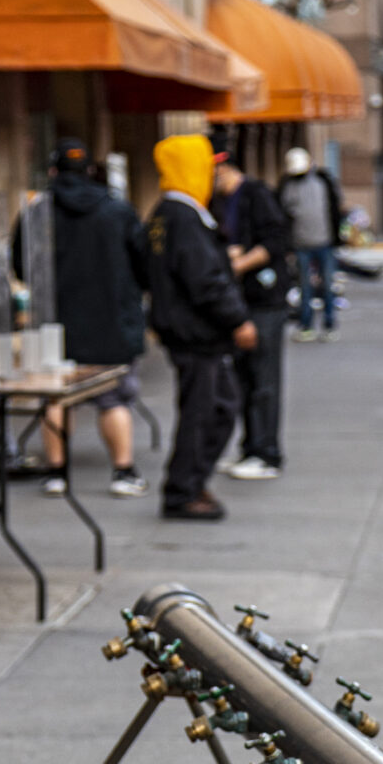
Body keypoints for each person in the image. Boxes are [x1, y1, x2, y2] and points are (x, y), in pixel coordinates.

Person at [18, 139, 149, 498]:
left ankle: (56, 472)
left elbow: (21, 262)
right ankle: (123, 471)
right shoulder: (117, 210)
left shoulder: (38, 210)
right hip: (111, 320)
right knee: (113, 399)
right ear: (91, 170)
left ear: (52, 171)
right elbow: (143, 264)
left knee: (56, 399)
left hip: (56, 324)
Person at [147, 134, 256, 522]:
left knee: (218, 408)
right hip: (198, 334)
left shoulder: (167, 213)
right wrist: (238, 319)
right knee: (205, 412)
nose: (212, 175)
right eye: (207, 167)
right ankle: (183, 490)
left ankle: (190, 482)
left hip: (189, 331)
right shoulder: (183, 216)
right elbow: (204, 280)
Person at [212, 142, 290, 480]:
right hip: (240, 299)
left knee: (263, 377)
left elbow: (276, 241)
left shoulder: (256, 194)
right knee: (242, 376)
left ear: (223, 167)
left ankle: (267, 453)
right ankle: (250, 447)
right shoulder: (217, 202)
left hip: (264, 299)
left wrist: (239, 263)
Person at [278, 146, 343, 342]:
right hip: (301, 244)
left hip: (323, 241)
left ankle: (329, 325)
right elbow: (283, 215)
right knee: (305, 287)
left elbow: (334, 208)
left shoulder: (323, 181)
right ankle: (306, 325)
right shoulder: (287, 186)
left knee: (327, 285)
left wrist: (336, 237)